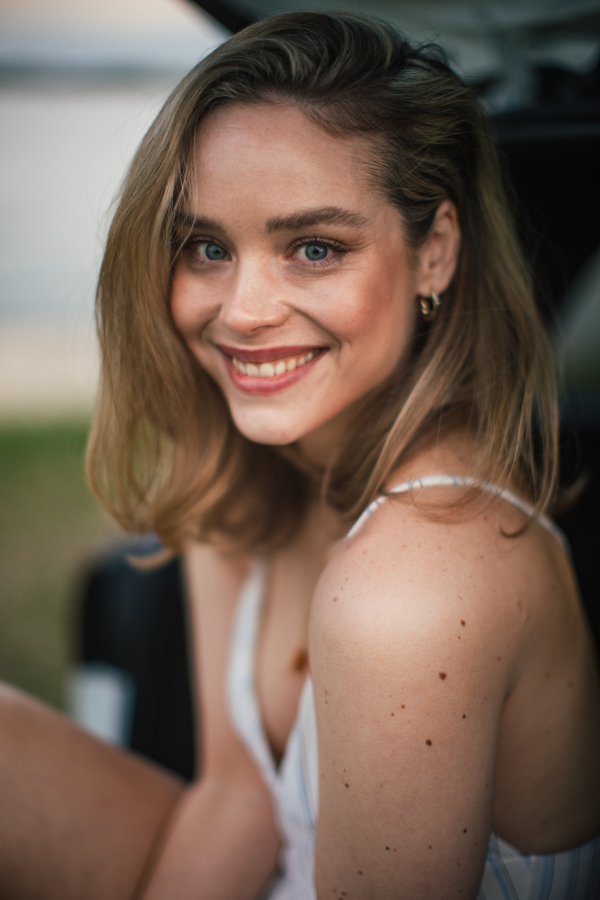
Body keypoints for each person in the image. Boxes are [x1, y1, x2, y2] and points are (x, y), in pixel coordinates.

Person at [0, 11, 599, 900]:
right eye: (207, 247)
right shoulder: (236, 476)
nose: (242, 310)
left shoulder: (412, 588)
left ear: (434, 250)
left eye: (313, 248)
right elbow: (237, 803)